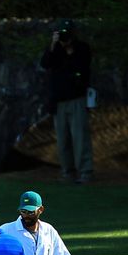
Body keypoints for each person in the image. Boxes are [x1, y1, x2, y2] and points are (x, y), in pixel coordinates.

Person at [40, 19, 94, 184]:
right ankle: (67, 171)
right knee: (63, 140)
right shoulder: (55, 50)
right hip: (59, 101)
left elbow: (83, 68)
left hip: (77, 99)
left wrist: (70, 50)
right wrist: (53, 45)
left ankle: (84, 171)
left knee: (79, 137)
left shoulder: (82, 49)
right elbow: (45, 63)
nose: (64, 37)